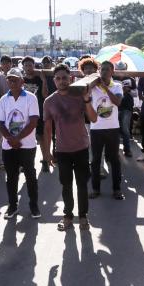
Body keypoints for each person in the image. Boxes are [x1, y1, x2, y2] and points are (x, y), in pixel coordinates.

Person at [43, 64, 97, 231]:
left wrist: (87, 99)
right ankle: (67, 216)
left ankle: (83, 216)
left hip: (81, 147)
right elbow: (47, 129)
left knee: (82, 184)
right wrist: (47, 153)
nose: (61, 81)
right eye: (58, 78)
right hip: (62, 150)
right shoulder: (49, 101)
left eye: (64, 78)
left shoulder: (80, 96)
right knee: (66, 185)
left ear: (71, 78)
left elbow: (93, 118)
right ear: (54, 81)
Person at [0, 67, 41, 219]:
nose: (11, 81)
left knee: (30, 175)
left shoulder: (31, 98)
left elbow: (33, 121)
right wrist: (11, 139)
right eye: (9, 79)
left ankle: (34, 206)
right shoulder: (4, 99)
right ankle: (13, 206)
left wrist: (18, 138)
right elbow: (0, 123)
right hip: (9, 146)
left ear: (22, 81)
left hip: (27, 145)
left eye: (15, 78)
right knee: (12, 177)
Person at [88, 61, 124, 200]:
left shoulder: (117, 86)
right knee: (96, 160)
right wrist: (93, 83)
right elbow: (83, 94)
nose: (104, 72)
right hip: (96, 128)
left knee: (114, 160)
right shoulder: (93, 87)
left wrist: (105, 88)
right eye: (102, 69)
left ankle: (117, 189)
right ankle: (95, 189)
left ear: (112, 72)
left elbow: (118, 102)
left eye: (107, 69)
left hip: (113, 129)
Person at [21, 56, 51, 172]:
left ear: (34, 66)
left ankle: (45, 161)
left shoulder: (39, 79)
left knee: (42, 137)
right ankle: (27, 163)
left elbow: (44, 95)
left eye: (30, 65)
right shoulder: (21, 80)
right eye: (26, 65)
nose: (29, 67)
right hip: (25, 114)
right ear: (23, 67)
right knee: (26, 138)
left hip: (38, 112)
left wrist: (43, 81)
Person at [118, 79, 134, 157]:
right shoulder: (119, 94)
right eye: (124, 86)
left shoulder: (129, 96)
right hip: (119, 112)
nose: (125, 88)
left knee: (125, 130)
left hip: (126, 112)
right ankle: (115, 150)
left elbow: (129, 108)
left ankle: (127, 150)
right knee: (116, 131)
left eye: (127, 87)